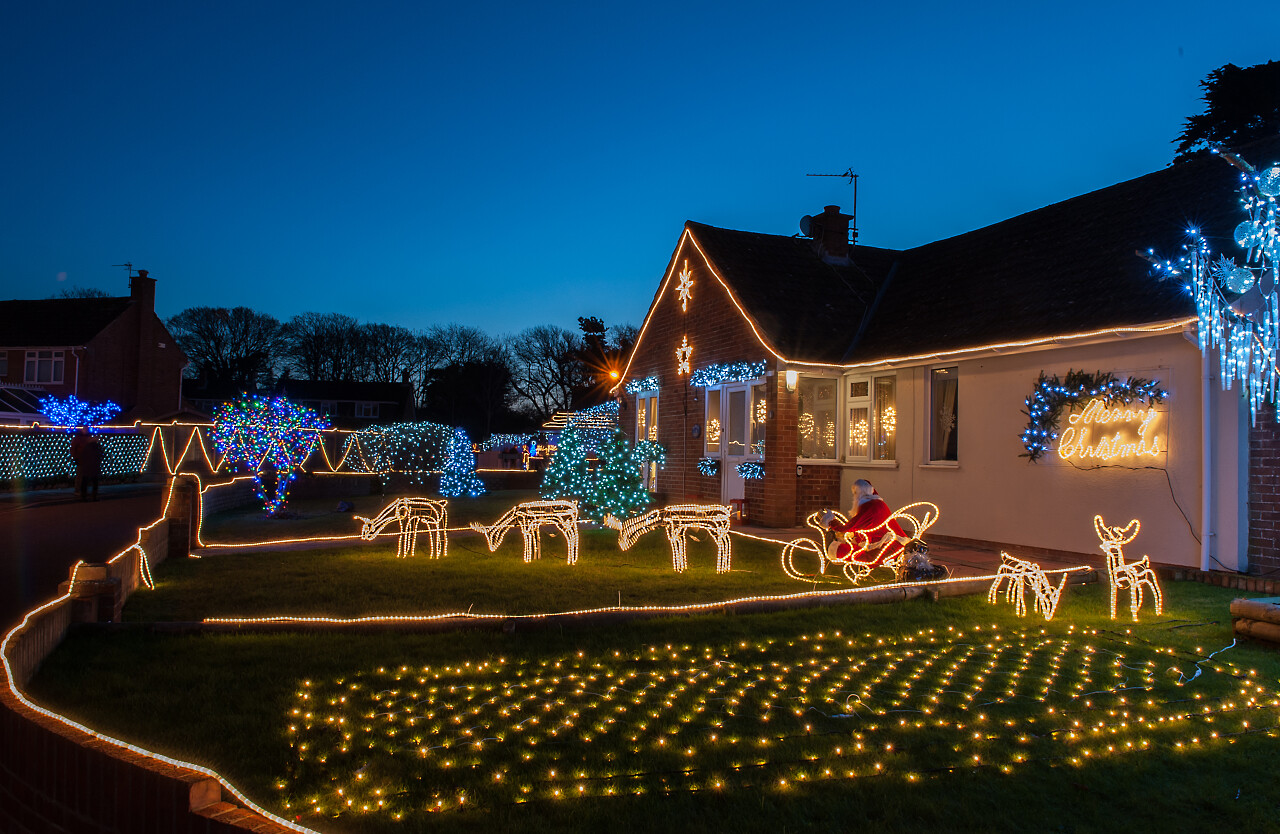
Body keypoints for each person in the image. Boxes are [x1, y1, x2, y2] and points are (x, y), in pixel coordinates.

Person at [822, 479, 906, 563]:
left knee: (862, 557)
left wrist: (831, 522)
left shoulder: (871, 506)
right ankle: (835, 546)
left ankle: (833, 548)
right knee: (856, 548)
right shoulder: (876, 503)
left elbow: (851, 525)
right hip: (889, 543)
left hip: (890, 546)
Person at [78, 433, 104, 501]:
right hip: (95, 466)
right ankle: (94, 496)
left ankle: (83, 496)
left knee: (85, 481)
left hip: (86, 467)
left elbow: (82, 456)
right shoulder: (97, 447)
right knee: (95, 482)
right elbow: (101, 455)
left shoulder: (86, 447)